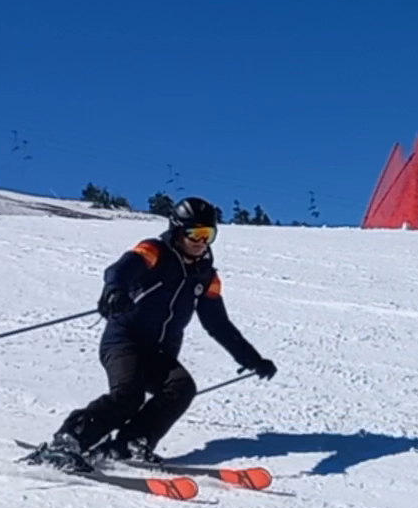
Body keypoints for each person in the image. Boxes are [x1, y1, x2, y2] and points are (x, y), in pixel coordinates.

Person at [31, 197, 277, 472]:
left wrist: (253, 359)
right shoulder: (155, 251)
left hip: (160, 352)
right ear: (176, 230)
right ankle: (69, 441)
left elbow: (217, 323)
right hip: (125, 339)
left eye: (208, 234)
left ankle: (129, 445)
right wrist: (114, 291)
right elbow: (120, 270)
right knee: (128, 396)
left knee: (182, 387)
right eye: (194, 233)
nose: (201, 241)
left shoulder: (207, 276)